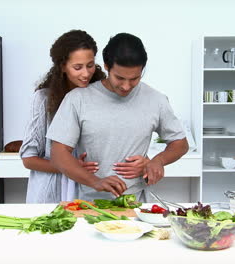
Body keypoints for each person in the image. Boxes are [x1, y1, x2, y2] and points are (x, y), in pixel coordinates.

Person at [47, 32, 189, 201]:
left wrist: (158, 161)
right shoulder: (78, 99)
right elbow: (58, 154)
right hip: (89, 203)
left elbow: (180, 144)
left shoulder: (156, 99)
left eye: (135, 78)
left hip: (136, 203)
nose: (126, 86)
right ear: (106, 66)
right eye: (119, 78)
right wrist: (95, 182)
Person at [20, 30, 147, 203]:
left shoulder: (102, 94)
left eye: (90, 65)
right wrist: (70, 167)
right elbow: (28, 159)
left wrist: (145, 161)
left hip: (89, 191)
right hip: (53, 190)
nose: (86, 73)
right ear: (63, 66)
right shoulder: (43, 99)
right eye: (77, 67)